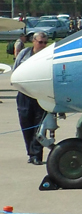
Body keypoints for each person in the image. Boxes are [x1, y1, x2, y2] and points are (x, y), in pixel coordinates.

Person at [14, 33, 49, 164]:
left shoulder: (48, 56)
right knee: (26, 124)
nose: (43, 45)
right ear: (34, 41)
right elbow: (16, 70)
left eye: (45, 42)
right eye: (41, 42)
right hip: (24, 94)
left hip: (40, 94)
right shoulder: (24, 54)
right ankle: (30, 152)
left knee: (39, 126)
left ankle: (36, 154)